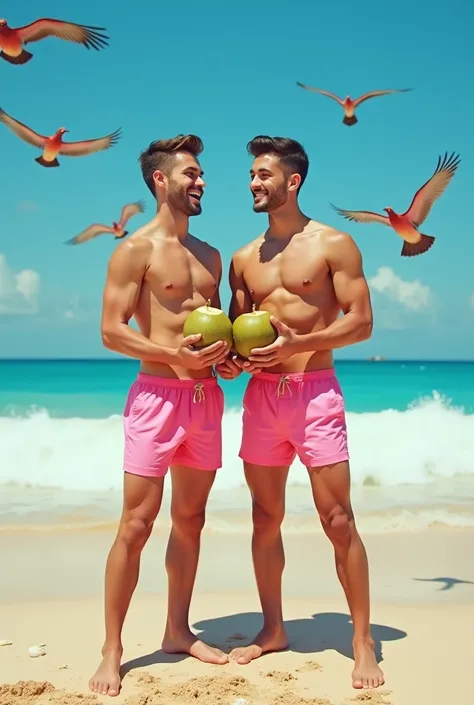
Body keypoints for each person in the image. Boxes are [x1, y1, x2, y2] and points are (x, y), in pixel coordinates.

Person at [216, 135, 384, 690]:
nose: (253, 183)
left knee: (338, 519)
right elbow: (238, 342)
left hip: (316, 393)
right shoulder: (244, 259)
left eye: (263, 174)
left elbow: (361, 322)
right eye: (251, 176)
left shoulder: (334, 244)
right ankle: (273, 629)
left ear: (294, 181)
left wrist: (297, 347)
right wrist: (230, 364)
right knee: (265, 519)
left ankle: (362, 641)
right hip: (263, 399)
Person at [89, 134, 231, 698]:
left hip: (205, 401)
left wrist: (231, 361)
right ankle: (113, 649)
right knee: (136, 525)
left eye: (201, 175)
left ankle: (177, 629)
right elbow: (111, 329)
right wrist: (172, 354)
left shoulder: (212, 255)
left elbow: (216, 329)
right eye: (190, 174)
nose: (200, 182)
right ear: (160, 181)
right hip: (156, 399)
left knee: (190, 521)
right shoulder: (135, 250)